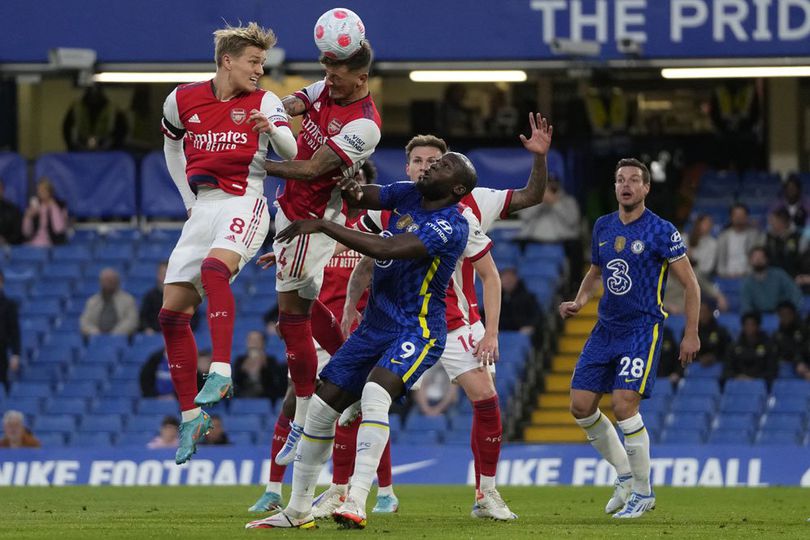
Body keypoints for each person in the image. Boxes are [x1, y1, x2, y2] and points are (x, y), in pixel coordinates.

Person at [245, 151, 475, 530]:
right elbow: (362, 197)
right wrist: (346, 183)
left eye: (444, 165)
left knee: (374, 394)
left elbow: (384, 248)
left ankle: (356, 499)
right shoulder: (406, 194)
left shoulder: (451, 225)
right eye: (433, 162)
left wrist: (321, 225)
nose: (433, 165)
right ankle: (297, 511)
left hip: (415, 329)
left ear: (457, 188)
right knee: (321, 410)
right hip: (374, 326)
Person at [337, 114, 552, 520]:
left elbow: (530, 197)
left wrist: (490, 331)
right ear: (407, 167)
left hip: (453, 324)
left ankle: (486, 494)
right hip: (399, 321)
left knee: (486, 400)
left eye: (433, 160)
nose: (424, 166)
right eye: (417, 160)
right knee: (353, 399)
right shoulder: (393, 202)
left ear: (448, 169)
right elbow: (365, 256)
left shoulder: (471, 205)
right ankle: (340, 491)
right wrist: (352, 303)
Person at [157, 22, 297, 465]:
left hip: (245, 200)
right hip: (205, 207)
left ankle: (220, 369)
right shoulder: (181, 99)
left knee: (215, 271)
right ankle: (190, 414)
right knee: (170, 315)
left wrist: (270, 130)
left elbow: (291, 151)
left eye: (263, 62)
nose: (260, 70)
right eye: (253, 62)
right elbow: (172, 147)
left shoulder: (265, 101)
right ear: (227, 60)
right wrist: (188, 201)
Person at [249, 162, 399, 516]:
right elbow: (302, 282)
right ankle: (273, 489)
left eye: (357, 179)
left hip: (361, 331)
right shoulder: (326, 230)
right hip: (320, 331)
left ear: (366, 186)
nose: (349, 183)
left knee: (361, 407)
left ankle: (374, 491)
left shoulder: (375, 230)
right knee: (294, 402)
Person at [260, 39, 381, 466]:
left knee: (291, 318)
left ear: (362, 78)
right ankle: (350, 380)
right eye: (326, 71)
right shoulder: (327, 88)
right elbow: (294, 101)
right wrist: (272, 110)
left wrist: (256, 163)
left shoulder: (364, 124)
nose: (328, 80)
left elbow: (314, 169)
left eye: (337, 74)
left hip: (311, 221)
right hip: (289, 211)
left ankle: (305, 417)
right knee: (305, 312)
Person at [559, 158, 700, 519]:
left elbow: (691, 285)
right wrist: (579, 300)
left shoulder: (661, 230)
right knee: (580, 405)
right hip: (605, 329)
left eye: (634, 180)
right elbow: (595, 273)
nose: (626, 185)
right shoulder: (603, 226)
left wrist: (691, 334)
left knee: (624, 405)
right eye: (620, 179)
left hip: (643, 328)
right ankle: (624, 474)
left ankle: (643, 491)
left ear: (646, 188)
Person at [517, 175, 583, 288]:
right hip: (534, 241)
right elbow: (524, 216)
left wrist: (555, 203)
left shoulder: (568, 201)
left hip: (562, 243)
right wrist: (539, 200)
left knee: (577, 247)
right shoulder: (533, 200)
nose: (551, 187)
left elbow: (573, 221)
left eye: (554, 184)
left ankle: (572, 287)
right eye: (548, 184)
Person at [139, 261, 199, 334]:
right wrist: (147, 329)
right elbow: (143, 317)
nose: (165, 276)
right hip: (155, 335)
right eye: (162, 274)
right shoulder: (150, 296)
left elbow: (193, 319)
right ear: (158, 275)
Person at [62, 85, 129, 151]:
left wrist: (115, 147)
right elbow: (66, 128)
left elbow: (122, 130)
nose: (94, 94)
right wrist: (71, 146)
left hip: (106, 150)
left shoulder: (113, 109)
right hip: (81, 148)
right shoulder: (76, 108)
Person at [740, 247, 803, 314]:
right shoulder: (747, 282)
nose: (758, 259)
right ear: (750, 260)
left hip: (782, 316)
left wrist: (791, 311)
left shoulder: (779, 274)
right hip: (758, 319)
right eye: (755, 257)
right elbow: (746, 305)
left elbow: (795, 292)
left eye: (761, 257)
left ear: (767, 259)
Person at [79, 268, 138, 337]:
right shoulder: (92, 301)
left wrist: (115, 334)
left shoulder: (128, 300)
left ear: (117, 282)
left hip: (120, 338)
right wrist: (95, 333)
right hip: (96, 339)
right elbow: (84, 322)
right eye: (104, 280)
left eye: (110, 280)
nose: (107, 283)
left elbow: (131, 321)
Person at [233, 330, 286, 399]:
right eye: (251, 340)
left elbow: (275, 383)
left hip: (265, 395)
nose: (253, 343)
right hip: (243, 395)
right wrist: (243, 369)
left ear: (263, 343)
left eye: (257, 340)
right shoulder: (240, 360)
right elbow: (236, 382)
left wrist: (264, 365)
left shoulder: (270, 360)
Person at [716, 204, 763, 278]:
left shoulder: (755, 235)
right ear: (731, 217)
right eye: (736, 215)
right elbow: (720, 261)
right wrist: (725, 274)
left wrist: (747, 273)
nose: (739, 218)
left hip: (749, 275)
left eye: (741, 215)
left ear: (746, 217)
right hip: (726, 275)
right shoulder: (723, 236)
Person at [725, 312, 776, 381]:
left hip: (760, 384)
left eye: (753, 325)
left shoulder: (767, 345)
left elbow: (771, 370)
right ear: (743, 326)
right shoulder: (734, 346)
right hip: (738, 382)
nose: (750, 328)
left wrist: (754, 379)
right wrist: (737, 376)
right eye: (747, 325)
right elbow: (728, 369)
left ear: (758, 326)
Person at [22, 178, 68, 247]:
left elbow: (59, 229)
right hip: (35, 243)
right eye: (39, 190)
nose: (40, 192)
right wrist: (28, 217)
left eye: (43, 190)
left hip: (54, 244)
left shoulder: (60, 206)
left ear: (50, 191)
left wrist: (53, 207)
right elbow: (26, 232)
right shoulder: (35, 206)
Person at [496, 266, 543, 335]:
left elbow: (537, 317)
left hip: (521, 333)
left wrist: (530, 326)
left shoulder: (528, 297)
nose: (507, 281)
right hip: (500, 334)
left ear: (516, 279)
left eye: (509, 278)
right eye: (504, 278)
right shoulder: (497, 298)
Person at [772, 301, 810, 381]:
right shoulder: (776, 335)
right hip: (791, 365)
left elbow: (803, 349)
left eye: (788, 314)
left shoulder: (804, 330)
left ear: (793, 314)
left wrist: (799, 362)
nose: (785, 317)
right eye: (782, 314)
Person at [0, 270, 20, 393]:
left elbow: (14, 330)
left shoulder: (9, 305)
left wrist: (15, 354)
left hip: (1, 350)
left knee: (3, 381)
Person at [764, 208, 801, 277]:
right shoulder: (767, 238)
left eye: (772, 221)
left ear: (782, 222)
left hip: (793, 276)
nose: (770, 223)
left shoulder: (797, 238)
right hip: (772, 276)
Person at [0, 179, 22, 246]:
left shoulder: (13, 210)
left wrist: (5, 240)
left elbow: (17, 234)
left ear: (2, 190)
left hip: (8, 248)